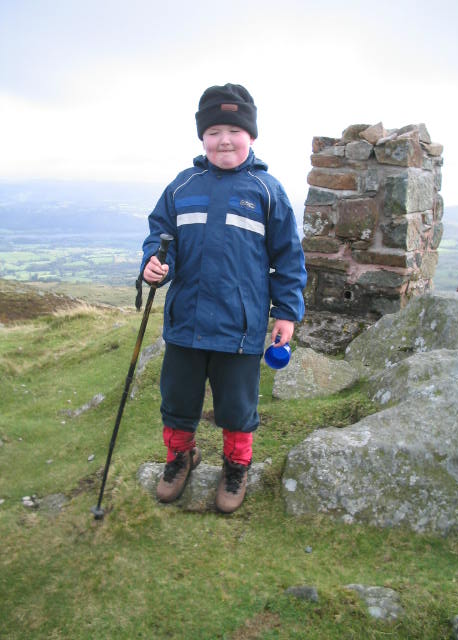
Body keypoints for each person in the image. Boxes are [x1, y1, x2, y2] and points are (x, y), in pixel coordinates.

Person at [140, 83, 306, 513]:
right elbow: (161, 238)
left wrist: (286, 312)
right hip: (186, 325)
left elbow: (288, 257)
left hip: (241, 328)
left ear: (251, 135)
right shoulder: (182, 186)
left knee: (237, 406)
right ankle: (181, 457)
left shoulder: (267, 191)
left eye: (234, 129)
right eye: (214, 130)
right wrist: (154, 264)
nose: (224, 140)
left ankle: (236, 467)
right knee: (177, 401)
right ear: (202, 137)